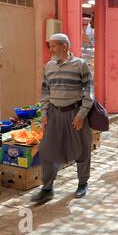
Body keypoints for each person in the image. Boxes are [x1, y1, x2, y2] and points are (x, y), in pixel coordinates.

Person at [31, 33, 94, 203]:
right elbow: (45, 92)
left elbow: (89, 91)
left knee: (82, 150)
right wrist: (44, 113)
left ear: (64, 46)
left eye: (53, 46)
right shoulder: (49, 67)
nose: (50, 49)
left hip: (75, 114)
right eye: (49, 46)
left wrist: (81, 114)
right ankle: (47, 188)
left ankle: (82, 183)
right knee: (45, 150)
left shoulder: (80, 65)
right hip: (54, 114)